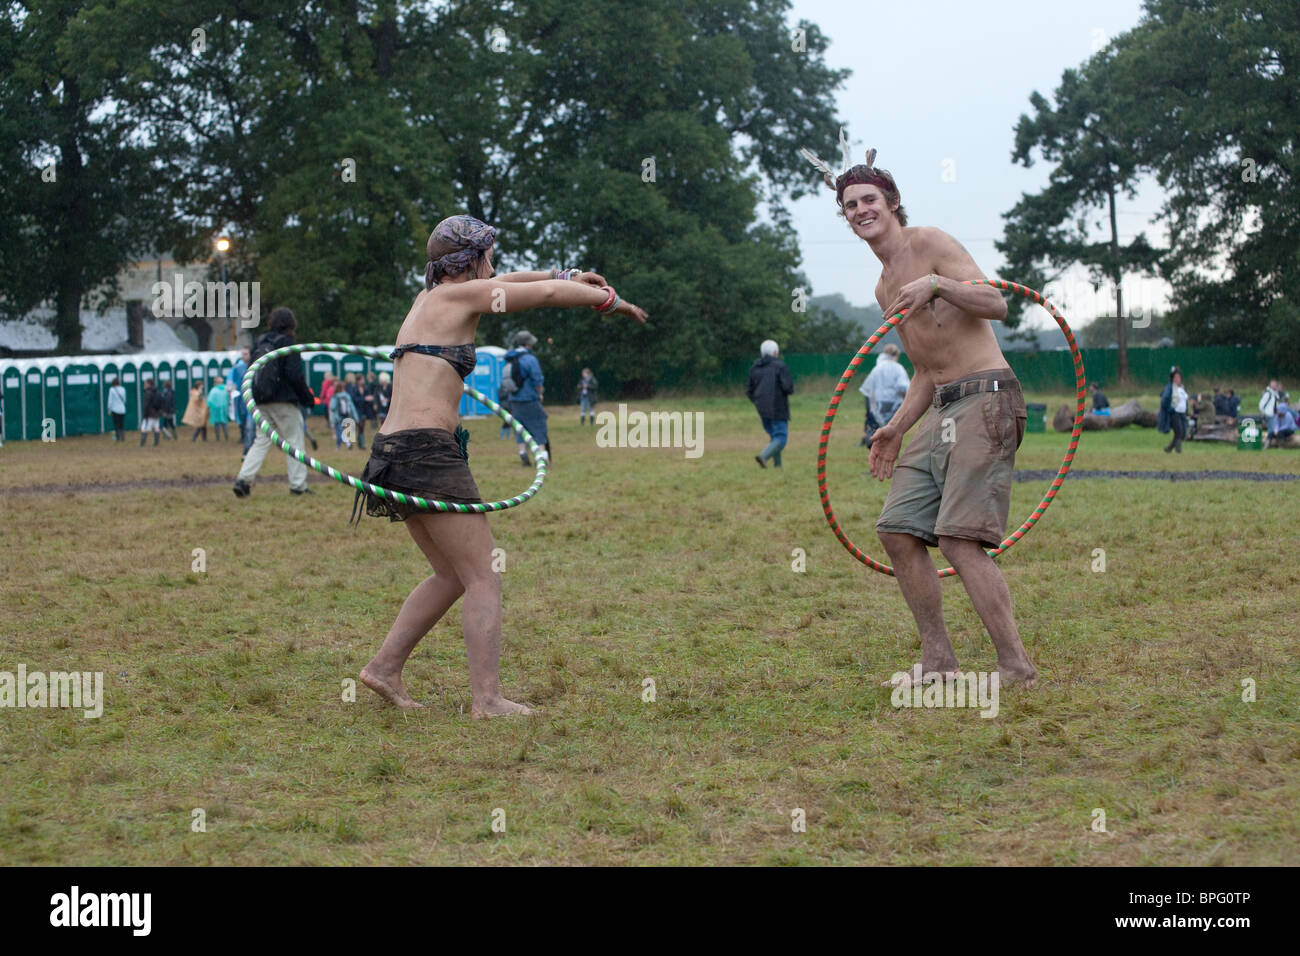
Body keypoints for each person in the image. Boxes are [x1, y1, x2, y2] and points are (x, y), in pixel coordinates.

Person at [352, 214, 646, 714]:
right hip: (425, 450)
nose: (495, 262)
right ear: (472, 258)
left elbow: (514, 284)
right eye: (489, 252)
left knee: (451, 574)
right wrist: (607, 301)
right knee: (485, 574)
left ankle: (383, 669)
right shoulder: (457, 298)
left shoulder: (431, 298)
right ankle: (486, 701)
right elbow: (544, 297)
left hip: (392, 451)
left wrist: (569, 275)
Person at [802, 144, 1036, 688]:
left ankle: (1016, 667)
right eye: (850, 204)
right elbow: (927, 370)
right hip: (942, 404)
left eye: (869, 199)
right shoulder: (884, 287)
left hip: (988, 395)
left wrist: (937, 284)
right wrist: (895, 428)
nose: (860, 209)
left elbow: (997, 303)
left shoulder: (927, 242)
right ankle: (939, 662)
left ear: (891, 203)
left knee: (957, 538)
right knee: (897, 531)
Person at [233, 306, 318, 497]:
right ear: (291, 323)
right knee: (294, 441)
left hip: (260, 399)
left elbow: (252, 371)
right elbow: (294, 375)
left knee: (261, 441)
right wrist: (308, 398)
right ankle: (298, 486)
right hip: (284, 401)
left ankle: (243, 480)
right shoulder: (288, 344)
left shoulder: (260, 342)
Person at [746, 339, 793, 468]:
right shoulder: (779, 366)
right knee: (781, 438)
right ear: (775, 352)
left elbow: (749, 390)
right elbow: (788, 387)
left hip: (761, 408)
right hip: (777, 407)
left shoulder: (755, 367)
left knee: (774, 435)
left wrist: (757, 401)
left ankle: (777, 465)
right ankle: (763, 456)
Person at [504, 330, 548, 467]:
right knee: (538, 426)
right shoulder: (530, 359)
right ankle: (542, 456)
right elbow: (537, 380)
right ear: (529, 344)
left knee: (519, 428)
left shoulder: (510, 358)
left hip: (514, 400)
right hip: (529, 399)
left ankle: (523, 453)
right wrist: (540, 393)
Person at [860, 343, 910, 444]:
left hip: (878, 403)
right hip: (894, 403)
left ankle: (874, 443)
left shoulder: (877, 368)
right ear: (896, 355)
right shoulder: (898, 368)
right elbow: (903, 387)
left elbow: (869, 389)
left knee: (878, 427)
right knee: (891, 429)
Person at [228, 346, 253, 454]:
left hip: (253, 397)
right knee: (241, 418)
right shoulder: (237, 367)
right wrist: (230, 388)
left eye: (246, 353)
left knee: (250, 422)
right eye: (242, 354)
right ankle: (244, 438)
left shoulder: (255, 365)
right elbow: (230, 380)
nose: (243, 356)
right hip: (240, 398)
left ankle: (248, 446)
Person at [1158, 366, 1189, 453]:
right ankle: (1178, 450)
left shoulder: (1182, 388)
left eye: (1179, 377)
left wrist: (1187, 411)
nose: (1178, 379)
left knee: (1183, 432)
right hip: (1174, 413)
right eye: (1176, 377)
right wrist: (1171, 409)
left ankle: (1169, 448)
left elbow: (1184, 401)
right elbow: (1164, 400)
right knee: (1178, 431)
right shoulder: (1170, 388)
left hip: (1182, 413)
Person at [139, 377, 164, 446]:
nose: (144, 385)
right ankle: (156, 443)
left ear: (148, 384)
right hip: (157, 413)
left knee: (144, 427)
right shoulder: (157, 391)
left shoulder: (148, 392)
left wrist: (145, 414)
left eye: (145, 384)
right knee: (156, 427)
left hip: (150, 413)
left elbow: (146, 404)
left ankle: (142, 443)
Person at [1258, 379, 1284, 448]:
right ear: (1271, 385)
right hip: (1269, 414)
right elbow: (1261, 405)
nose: (1276, 386)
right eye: (1274, 384)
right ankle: (1267, 445)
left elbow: (1277, 403)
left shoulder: (1275, 393)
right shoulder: (1268, 393)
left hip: (1275, 414)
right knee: (1272, 429)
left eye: (1276, 384)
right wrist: (1264, 413)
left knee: (1273, 429)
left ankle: (1270, 444)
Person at [106, 377, 127, 441]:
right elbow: (125, 399)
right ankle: (123, 437)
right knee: (121, 424)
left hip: (115, 409)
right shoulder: (123, 389)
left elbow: (110, 400)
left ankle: (118, 437)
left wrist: (109, 408)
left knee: (116, 424)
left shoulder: (111, 389)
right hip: (122, 409)